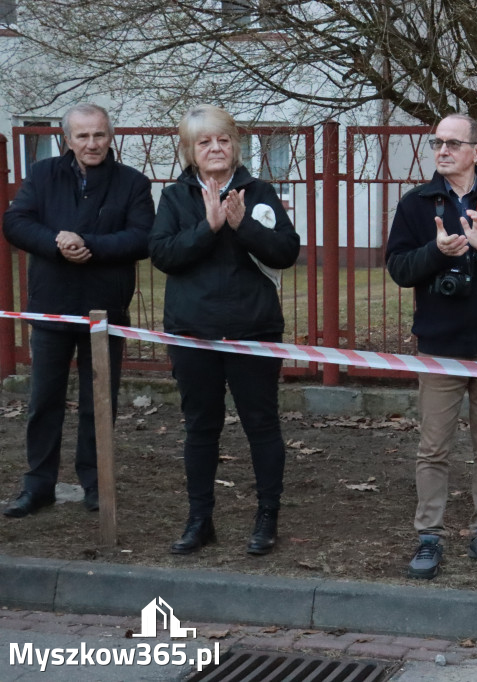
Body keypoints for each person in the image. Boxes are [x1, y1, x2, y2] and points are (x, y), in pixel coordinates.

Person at [385, 113, 477, 579]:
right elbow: (398, 267)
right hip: (440, 345)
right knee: (433, 448)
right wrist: (438, 253)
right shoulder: (416, 205)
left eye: (453, 143)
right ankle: (429, 537)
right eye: (437, 143)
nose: (442, 150)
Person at [149, 105, 299, 556]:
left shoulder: (259, 192)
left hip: (253, 330)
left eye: (223, 140)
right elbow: (162, 254)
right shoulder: (176, 199)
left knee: (262, 425)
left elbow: (285, 252)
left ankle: (266, 518)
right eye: (204, 142)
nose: (216, 148)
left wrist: (242, 224)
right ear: (190, 152)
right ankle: (200, 521)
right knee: (200, 427)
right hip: (193, 332)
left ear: (236, 144)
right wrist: (209, 227)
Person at [2, 103, 154, 518]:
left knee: (99, 401)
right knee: (43, 400)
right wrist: (57, 242)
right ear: (67, 139)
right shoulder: (42, 174)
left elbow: (143, 238)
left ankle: (95, 482)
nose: (92, 143)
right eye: (83, 136)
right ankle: (38, 485)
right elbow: (15, 223)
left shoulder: (133, 183)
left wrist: (88, 244)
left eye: (99, 135)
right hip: (52, 305)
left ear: (111, 136)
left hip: (106, 308)